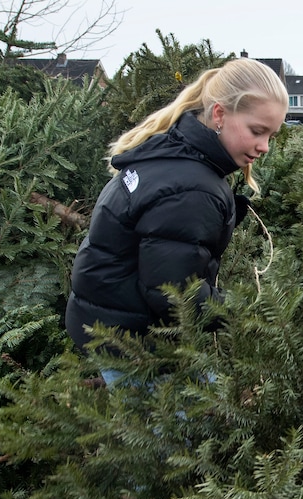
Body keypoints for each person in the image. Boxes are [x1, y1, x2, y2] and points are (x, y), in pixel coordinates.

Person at [65, 57, 289, 386]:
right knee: (184, 431)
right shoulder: (193, 187)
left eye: (271, 135)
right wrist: (247, 313)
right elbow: (173, 294)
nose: (265, 146)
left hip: (109, 325)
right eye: (257, 131)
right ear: (219, 114)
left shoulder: (172, 153)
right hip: (135, 344)